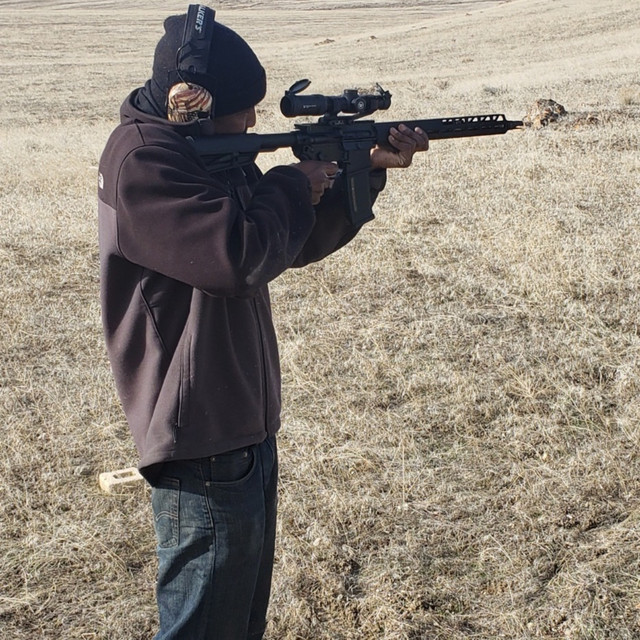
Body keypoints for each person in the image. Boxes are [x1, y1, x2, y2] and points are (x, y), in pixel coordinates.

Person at [97, 5, 428, 639]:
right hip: (200, 435)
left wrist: (361, 173)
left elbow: (283, 245)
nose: (253, 120)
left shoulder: (200, 151)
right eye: (242, 108)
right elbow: (237, 258)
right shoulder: (148, 164)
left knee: (236, 622)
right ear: (195, 106)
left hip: (238, 420)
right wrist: (289, 184)